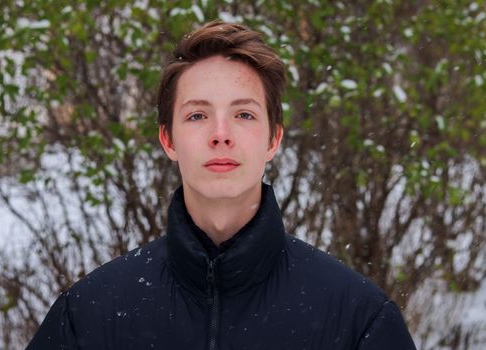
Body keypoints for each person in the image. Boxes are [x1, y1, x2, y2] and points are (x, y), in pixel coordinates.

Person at [27, 21, 417, 349]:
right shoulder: (89, 316)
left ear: (273, 139)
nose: (221, 134)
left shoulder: (357, 320)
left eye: (244, 113)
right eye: (197, 115)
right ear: (168, 140)